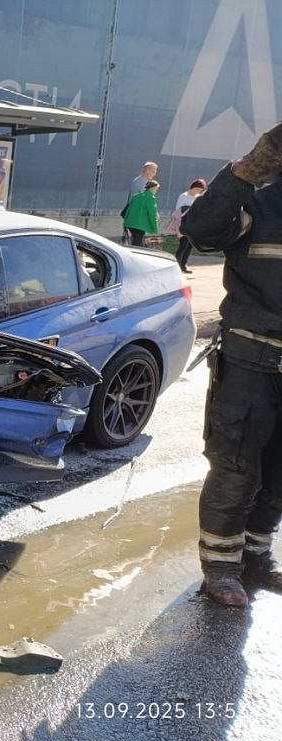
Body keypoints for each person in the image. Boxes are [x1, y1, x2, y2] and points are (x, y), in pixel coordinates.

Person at [180, 121, 282, 608]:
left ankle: (257, 555)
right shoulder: (258, 205)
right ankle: (221, 567)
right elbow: (201, 231)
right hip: (249, 358)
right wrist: (242, 174)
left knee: (280, 472)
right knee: (236, 467)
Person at [170, 178, 207, 272]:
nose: (198, 192)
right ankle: (177, 266)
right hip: (184, 224)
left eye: (200, 190)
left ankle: (183, 265)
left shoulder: (198, 197)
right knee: (183, 245)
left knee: (189, 246)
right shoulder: (183, 196)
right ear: (193, 187)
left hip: (193, 225)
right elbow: (178, 210)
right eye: (197, 189)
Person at [121, 179, 159, 247]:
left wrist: (125, 223)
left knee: (138, 242)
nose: (156, 191)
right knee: (137, 244)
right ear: (152, 188)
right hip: (140, 225)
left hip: (130, 223)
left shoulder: (136, 196)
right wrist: (154, 228)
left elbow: (128, 209)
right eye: (156, 189)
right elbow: (152, 215)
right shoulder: (150, 198)